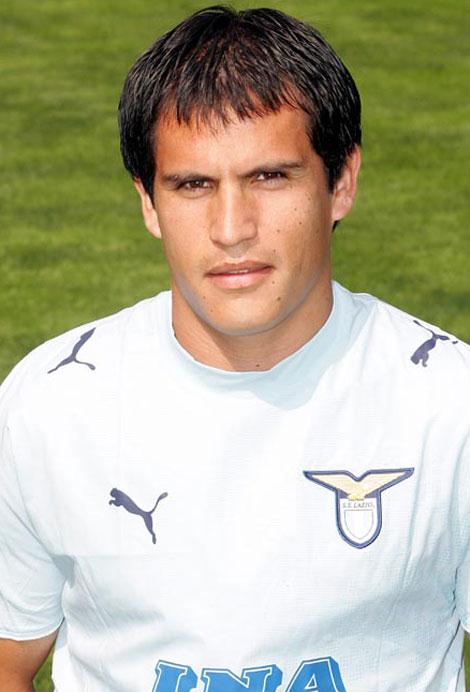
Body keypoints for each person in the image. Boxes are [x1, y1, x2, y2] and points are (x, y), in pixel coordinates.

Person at [0, 5, 468, 691]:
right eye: (193, 185)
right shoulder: (47, 405)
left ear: (341, 182)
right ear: (148, 202)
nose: (231, 228)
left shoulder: (450, 403)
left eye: (269, 177)